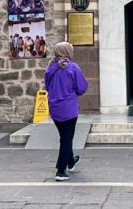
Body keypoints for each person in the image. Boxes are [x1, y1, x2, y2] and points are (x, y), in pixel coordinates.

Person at [44, 41, 88, 181]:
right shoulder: (73, 67)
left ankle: (71, 161)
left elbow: (47, 86)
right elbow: (82, 88)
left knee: (64, 136)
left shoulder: (50, 68)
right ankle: (61, 170)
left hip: (55, 108)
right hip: (68, 108)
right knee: (67, 138)